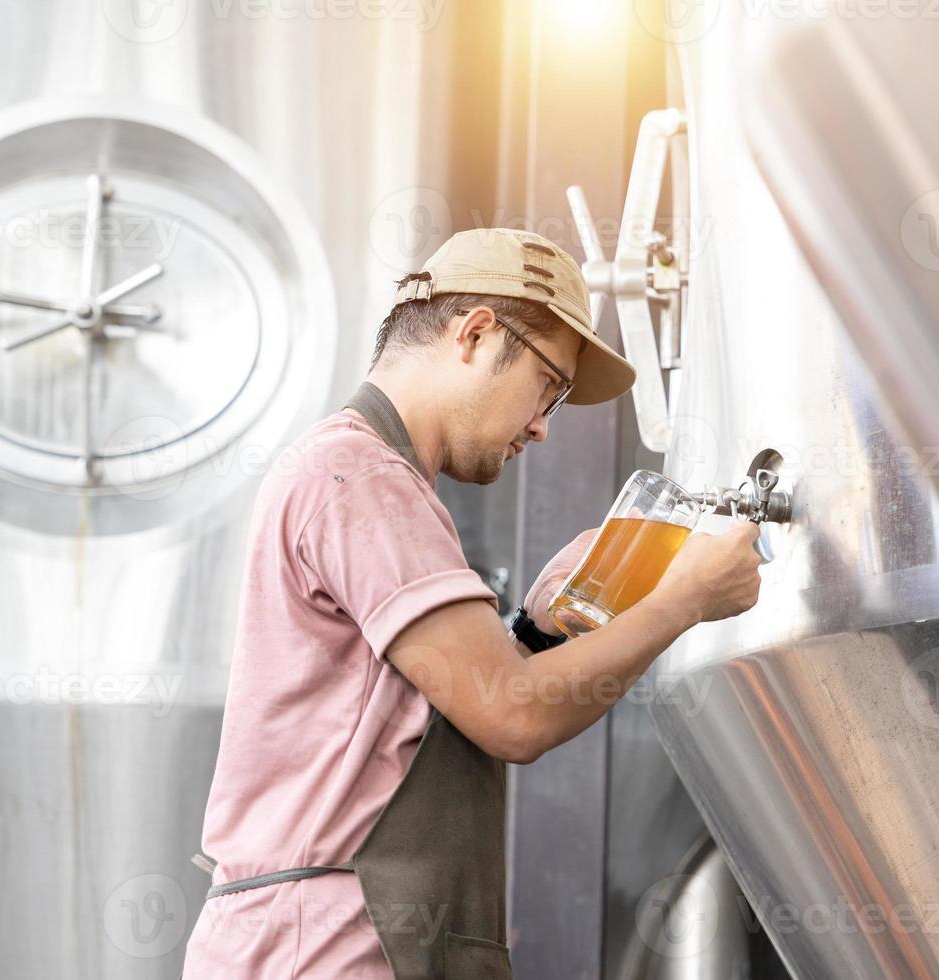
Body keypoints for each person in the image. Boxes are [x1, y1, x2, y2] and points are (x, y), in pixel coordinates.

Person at [180, 228, 762, 979]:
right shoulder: (361, 478)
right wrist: (684, 600)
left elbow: (435, 718)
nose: (544, 425)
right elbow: (514, 716)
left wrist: (536, 630)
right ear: (476, 333)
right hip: (331, 951)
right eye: (548, 385)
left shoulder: (362, 478)